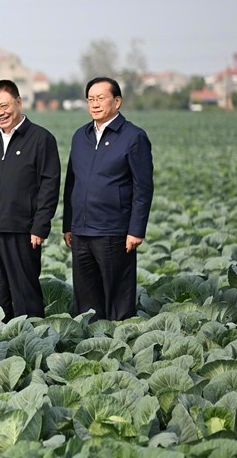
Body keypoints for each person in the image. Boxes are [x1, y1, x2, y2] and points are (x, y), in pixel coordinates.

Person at [63, 77, 154, 321]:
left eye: (100, 98)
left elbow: (143, 187)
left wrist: (136, 230)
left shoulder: (133, 137)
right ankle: (89, 341)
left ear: (117, 101)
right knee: (85, 298)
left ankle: (121, 340)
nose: (94, 104)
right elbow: (71, 182)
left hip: (114, 230)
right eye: (90, 99)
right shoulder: (80, 136)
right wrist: (68, 225)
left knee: (117, 297)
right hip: (81, 231)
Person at [0, 80, 60, 320]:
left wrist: (40, 226)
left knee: (25, 294)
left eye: (4, 105)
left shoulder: (41, 139)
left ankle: (31, 342)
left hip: (23, 231)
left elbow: (49, 186)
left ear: (19, 102)